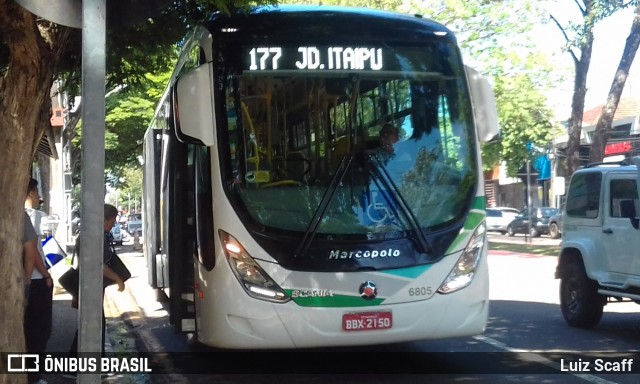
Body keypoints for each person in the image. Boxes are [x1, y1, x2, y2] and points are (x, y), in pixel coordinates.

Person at [67, 204, 126, 358]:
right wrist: (118, 279)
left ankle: (82, 364)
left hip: (91, 286)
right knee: (92, 324)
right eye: (112, 222)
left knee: (92, 324)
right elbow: (98, 265)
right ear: (103, 219)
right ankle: (80, 366)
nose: (112, 226)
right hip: (90, 288)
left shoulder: (94, 234)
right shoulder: (93, 236)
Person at [24, 179, 54, 384]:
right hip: (35, 281)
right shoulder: (34, 216)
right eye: (36, 192)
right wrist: (46, 275)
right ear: (31, 193)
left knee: (28, 330)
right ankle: (34, 377)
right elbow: (32, 251)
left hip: (24, 282)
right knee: (39, 331)